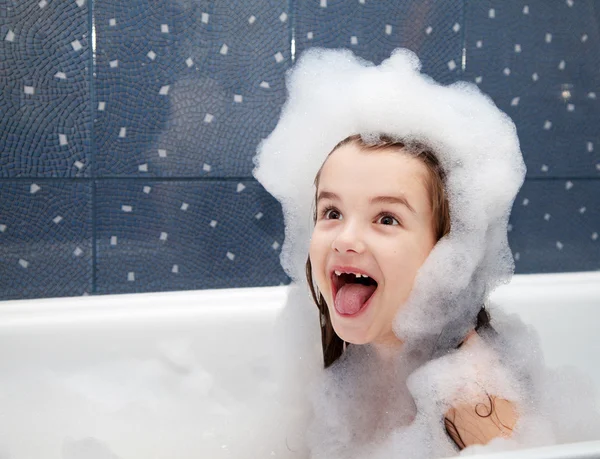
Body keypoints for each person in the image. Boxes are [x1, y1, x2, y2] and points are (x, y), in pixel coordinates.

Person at [305, 133, 518, 450]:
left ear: (446, 253)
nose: (344, 239)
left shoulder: (470, 395)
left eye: (386, 218)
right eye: (332, 213)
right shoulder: (345, 360)